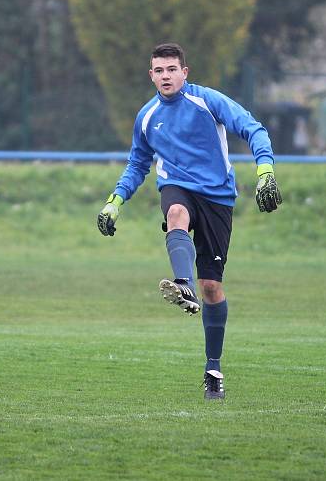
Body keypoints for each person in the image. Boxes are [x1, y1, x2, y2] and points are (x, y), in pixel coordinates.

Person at [97, 42, 282, 400]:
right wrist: (114, 203)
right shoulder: (147, 117)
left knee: (212, 287)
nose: (166, 76)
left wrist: (265, 171)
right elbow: (137, 164)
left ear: (185, 72)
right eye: (159, 71)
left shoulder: (207, 101)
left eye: (172, 69)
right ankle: (183, 282)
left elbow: (254, 129)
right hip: (177, 187)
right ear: (151, 75)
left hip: (217, 196)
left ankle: (213, 368)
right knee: (176, 213)